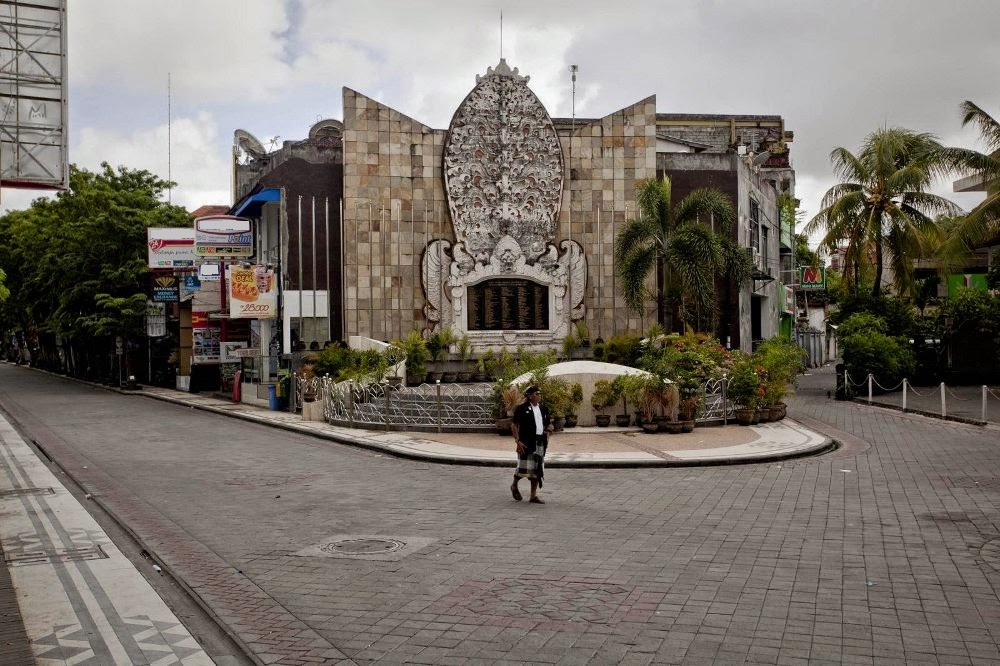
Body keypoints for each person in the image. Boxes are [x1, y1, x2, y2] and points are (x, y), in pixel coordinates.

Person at [510, 385, 553, 504]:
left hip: (540, 442)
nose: (539, 396)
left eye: (539, 394)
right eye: (536, 394)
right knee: (522, 469)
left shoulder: (544, 409)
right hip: (526, 442)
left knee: (536, 471)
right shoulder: (522, 408)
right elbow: (514, 425)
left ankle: (533, 496)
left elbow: (548, 424)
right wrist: (517, 441)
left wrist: (549, 431)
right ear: (529, 396)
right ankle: (514, 485)